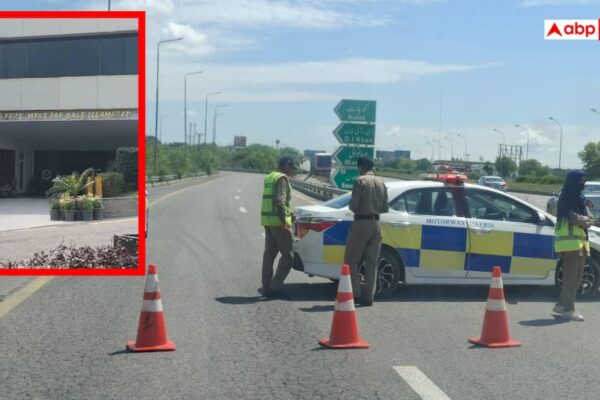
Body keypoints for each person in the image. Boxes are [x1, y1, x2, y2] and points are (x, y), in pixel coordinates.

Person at [344, 156, 388, 306]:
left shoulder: (360, 181)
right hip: (377, 224)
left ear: (360, 167)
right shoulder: (381, 182)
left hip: (361, 223)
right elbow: (385, 208)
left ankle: (356, 294)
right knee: (372, 263)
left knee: (351, 261)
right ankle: (368, 297)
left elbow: (353, 206)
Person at [553, 170, 594, 321]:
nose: (582, 184)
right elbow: (572, 217)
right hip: (569, 245)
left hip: (580, 244)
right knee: (570, 279)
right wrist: (584, 220)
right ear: (572, 182)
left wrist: (586, 220)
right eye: (579, 181)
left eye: (584, 181)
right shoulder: (566, 197)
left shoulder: (580, 198)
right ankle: (568, 310)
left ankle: (561, 305)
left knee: (576, 278)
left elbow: (589, 218)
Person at [258, 157, 296, 297]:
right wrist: (284, 221)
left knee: (269, 255)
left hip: (268, 222)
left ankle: (266, 286)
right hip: (279, 224)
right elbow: (280, 201)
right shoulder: (281, 178)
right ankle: (276, 286)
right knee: (288, 256)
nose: (291, 171)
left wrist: (290, 212)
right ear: (286, 165)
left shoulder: (270, 177)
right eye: (291, 168)